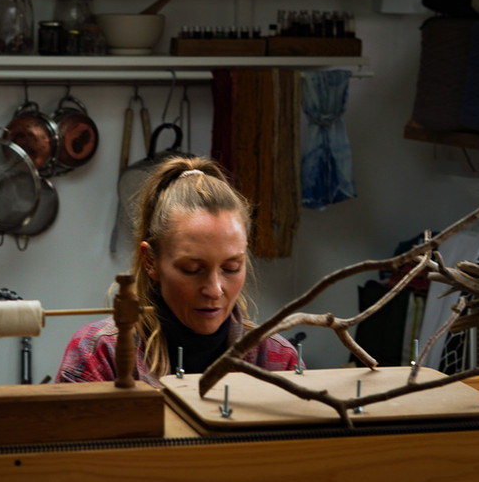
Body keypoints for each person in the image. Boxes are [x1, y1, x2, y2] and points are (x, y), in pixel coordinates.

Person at [55, 156, 301, 388]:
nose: (214, 290)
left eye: (231, 268)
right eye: (192, 269)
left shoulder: (279, 361)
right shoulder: (100, 355)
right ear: (150, 261)